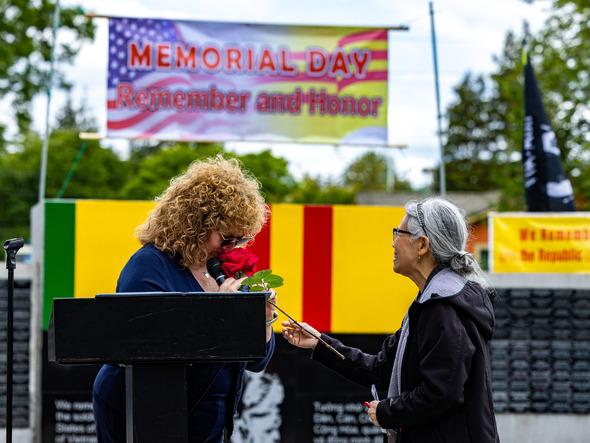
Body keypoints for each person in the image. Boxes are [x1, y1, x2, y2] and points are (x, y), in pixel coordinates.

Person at [282, 197, 499, 443]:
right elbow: (379, 369)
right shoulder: (430, 302)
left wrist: (387, 411)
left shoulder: (443, 307)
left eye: (399, 233)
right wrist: (319, 343)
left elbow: (441, 393)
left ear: (422, 245)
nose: (393, 242)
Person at [92, 156, 277, 443]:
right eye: (227, 238)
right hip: (144, 414)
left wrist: (264, 319)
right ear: (196, 224)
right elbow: (147, 349)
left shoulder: (225, 270)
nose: (232, 248)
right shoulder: (149, 265)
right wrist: (223, 314)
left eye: (240, 240)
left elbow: (255, 363)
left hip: (207, 417)